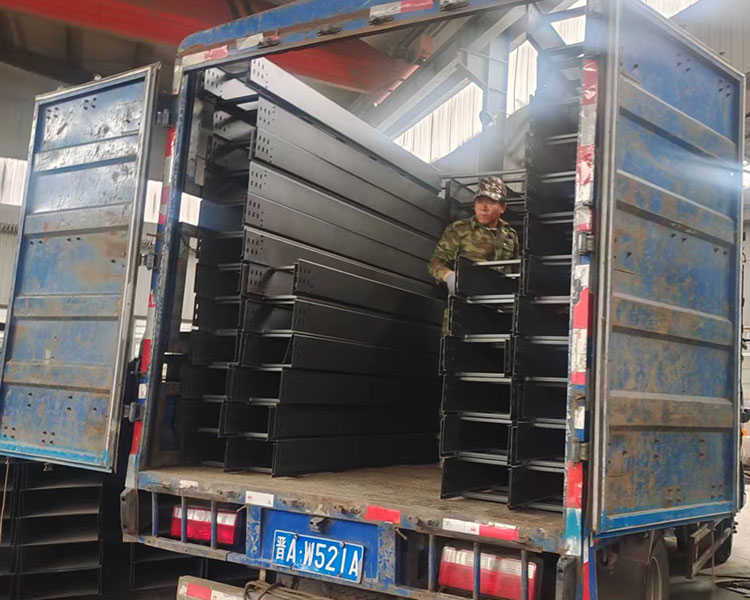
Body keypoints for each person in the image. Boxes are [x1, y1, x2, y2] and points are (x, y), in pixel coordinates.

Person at [428, 176, 520, 295]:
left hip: (500, 300)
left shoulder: (510, 236)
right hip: (468, 299)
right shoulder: (459, 229)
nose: (483, 208)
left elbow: (515, 271)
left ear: (502, 207)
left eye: (491, 202)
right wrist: (449, 277)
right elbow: (435, 263)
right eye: (479, 202)